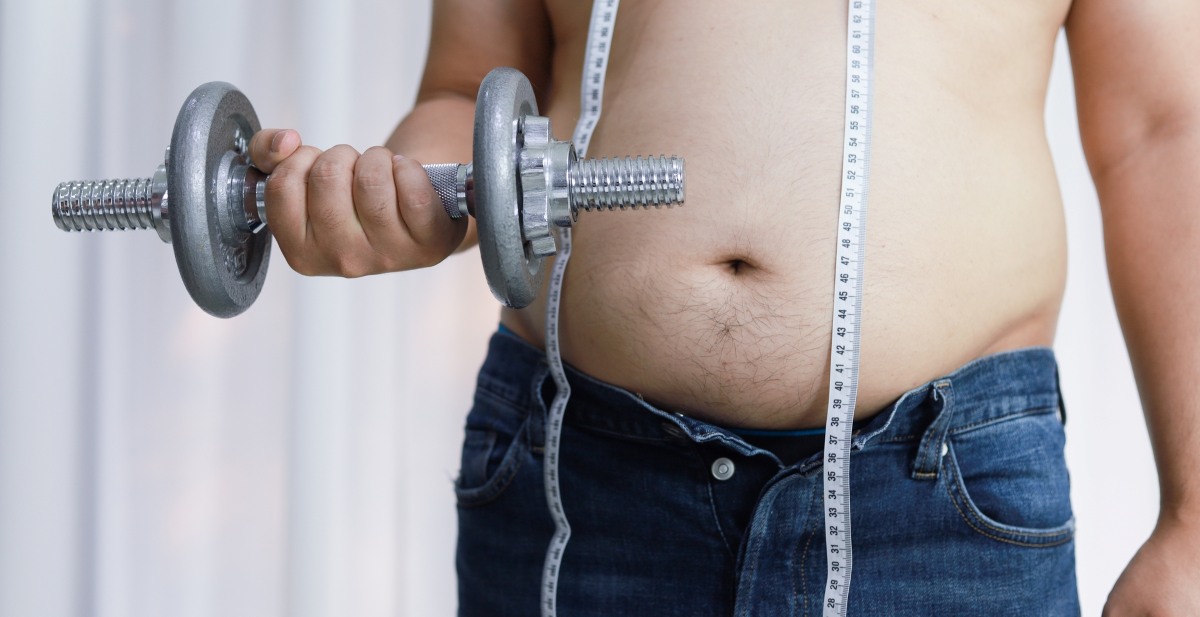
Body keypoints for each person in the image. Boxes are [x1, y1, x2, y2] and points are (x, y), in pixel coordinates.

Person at [247, 1, 1200, 614]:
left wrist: (1196, 521)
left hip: (939, 501)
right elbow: (469, 89)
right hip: (584, 477)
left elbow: (1165, 127)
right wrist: (394, 198)